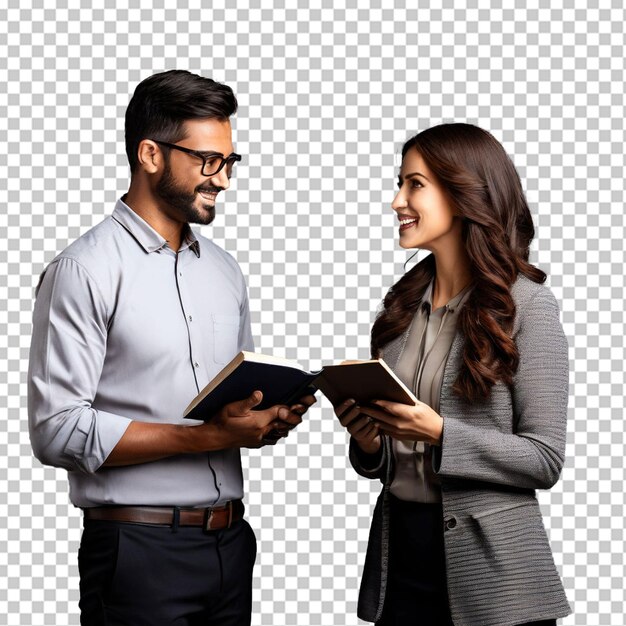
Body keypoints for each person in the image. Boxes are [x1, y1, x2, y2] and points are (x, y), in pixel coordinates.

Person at [27, 69, 315, 626]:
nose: (224, 180)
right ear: (150, 155)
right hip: (138, 553)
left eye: (229, 162)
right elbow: (56, 429)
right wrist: (209, 436)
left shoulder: (227, 272)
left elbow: (236, 393)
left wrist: (264, 418)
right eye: (207, 161)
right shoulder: (84, 271)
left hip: (232, 548)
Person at [333, 123, 571, 626]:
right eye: (400, 183)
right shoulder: (398, 313)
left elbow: (544, 458)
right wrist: (369, 443)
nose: (397, 200)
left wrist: (439, 433)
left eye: (414, 184)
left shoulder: (528, 306)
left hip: (497, 579)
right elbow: (386, 459)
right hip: (399, 562)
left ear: (464, 193)